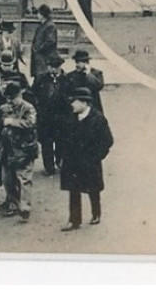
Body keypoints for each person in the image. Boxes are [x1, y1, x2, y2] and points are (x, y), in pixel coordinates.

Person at [60, 87, 114, 230]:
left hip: (90, 161)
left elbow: (107, 140)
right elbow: (64, 139)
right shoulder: (70, 117)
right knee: (73, 189)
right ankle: (74, 220)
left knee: (93, 188)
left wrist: (96, 157)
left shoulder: (98, 119)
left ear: (84, 103)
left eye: (75, 101)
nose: (71, 104)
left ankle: (96, 213)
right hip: (73, 161)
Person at [0, 78, 38, 219]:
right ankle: (13, 203)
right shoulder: (4, 108)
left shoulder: (28, 108)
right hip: (7, 149)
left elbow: (30, 124)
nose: (10, 101)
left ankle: (25, 206)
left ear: (20, 96)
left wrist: (12, 122)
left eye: (13, 98)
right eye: (8, 98)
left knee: (24, 178)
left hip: (24, 149)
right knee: (7, 179)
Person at [31, 52, 68, 176]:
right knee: (46, 142)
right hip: (45, 117)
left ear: (59, 67)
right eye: (50, 66)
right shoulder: (41, 79)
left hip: (61, 117)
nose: (52, 69)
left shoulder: (67, 80)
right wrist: (37, 109)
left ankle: (59, 161)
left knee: (61, 141)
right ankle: (49, 167)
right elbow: (32, 94)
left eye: (55, 66)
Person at [64, 49, 106, 116]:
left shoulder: (96, 73)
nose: (77, 64)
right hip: (77, 107)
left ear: (86, 63)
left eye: (80, 62)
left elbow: (99, 86)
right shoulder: (71, 76)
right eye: (76, 62)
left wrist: (88, 74)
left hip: (93, 106)